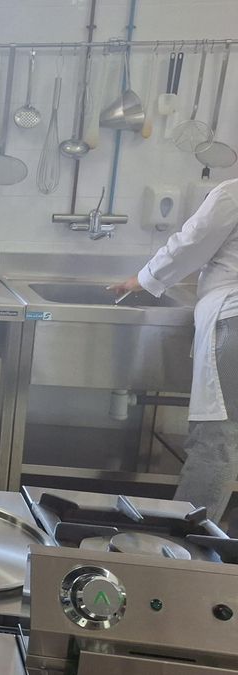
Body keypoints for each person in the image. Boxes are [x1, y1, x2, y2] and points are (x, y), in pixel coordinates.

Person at [110, 179, 238, 521]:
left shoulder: (232, 193)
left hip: (233, 317)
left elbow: (192, 243)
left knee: (217, 440)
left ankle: (188, 550)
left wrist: (145, 278)